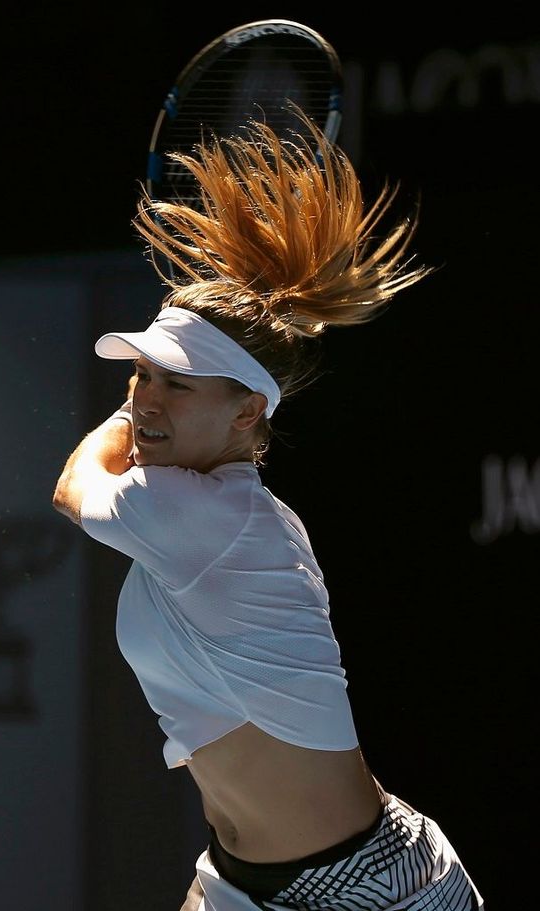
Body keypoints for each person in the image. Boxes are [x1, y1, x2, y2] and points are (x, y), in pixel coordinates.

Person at [52, 109, 484, 910]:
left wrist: (127, 414)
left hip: (372, 892)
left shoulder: (192, 513)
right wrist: (155, 393)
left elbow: (74, 483)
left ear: (249, 412)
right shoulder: (226, 509)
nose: (148, 397)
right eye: (141, 375)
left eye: (175, 382)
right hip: (242, 880)